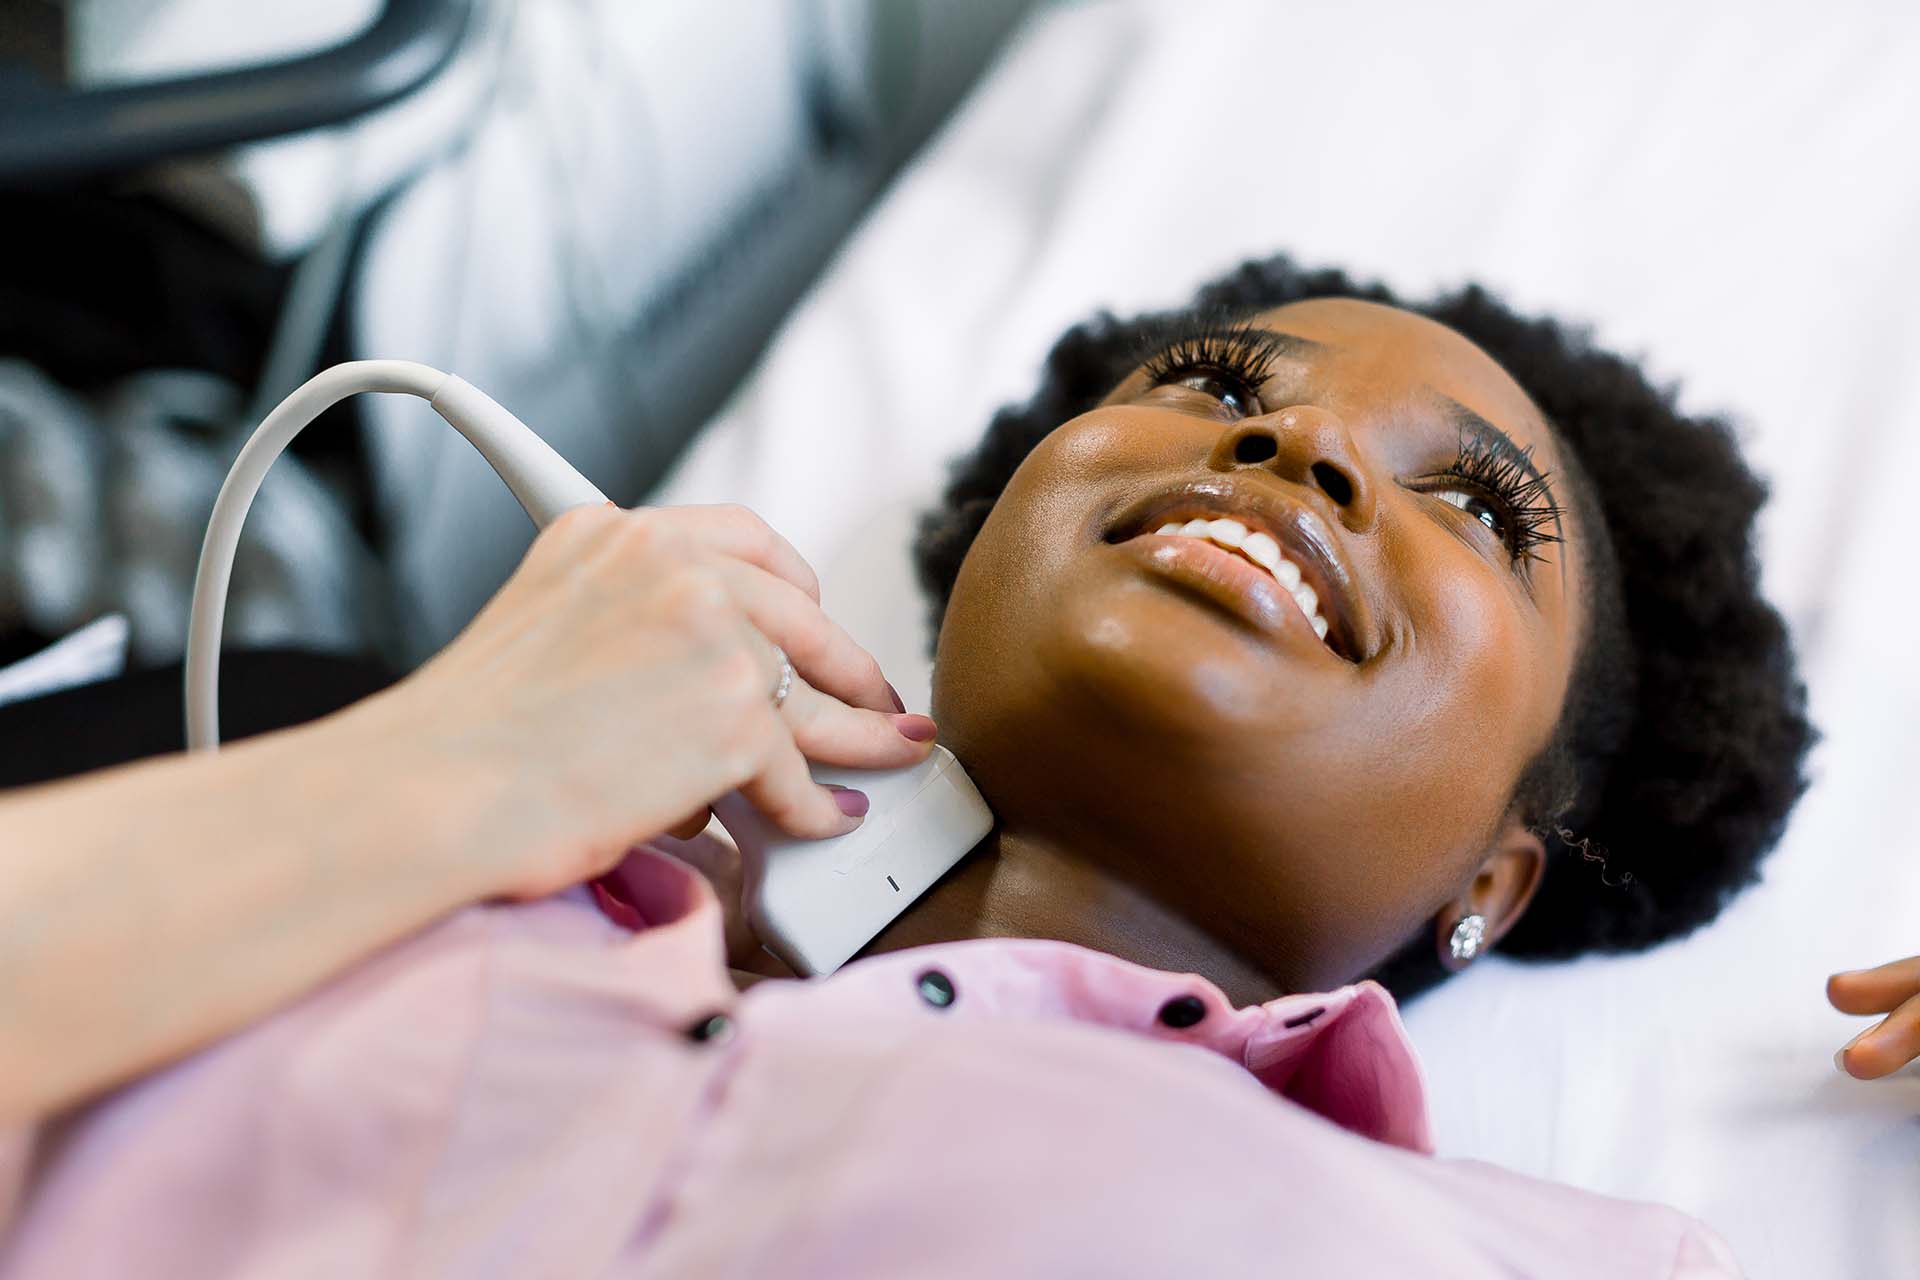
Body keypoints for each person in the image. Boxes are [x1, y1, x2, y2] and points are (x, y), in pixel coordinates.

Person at [1, 256, 1909, 1276]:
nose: (1302, 450)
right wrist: (452, 770)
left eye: (1476, 511)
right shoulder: (362, 824)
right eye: (1218, 389)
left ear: (1496, 876)